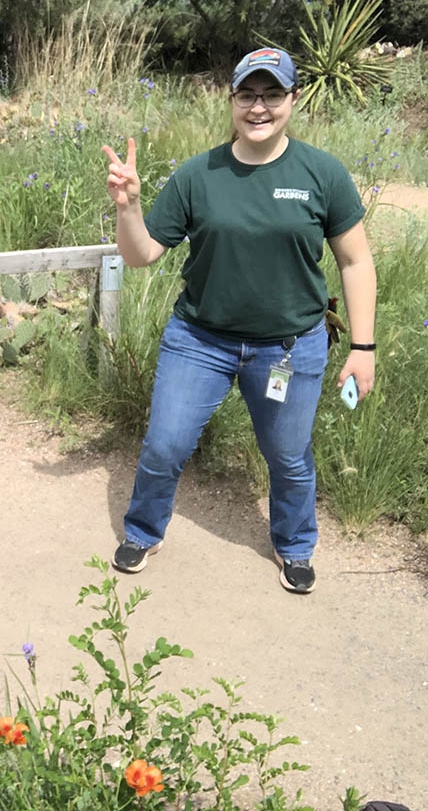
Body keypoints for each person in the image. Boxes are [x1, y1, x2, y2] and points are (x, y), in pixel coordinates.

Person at [101, 47, 377, 594]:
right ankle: (143, 530)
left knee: (288, 455)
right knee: (164, 444)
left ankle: (295, 545)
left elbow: (355, 260)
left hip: (289, 348)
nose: (259, 107)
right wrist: (128, 207)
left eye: (272, 95)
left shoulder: (321, 173)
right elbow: (142, 255)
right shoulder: (198, 174)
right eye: (247, 95)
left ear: (292, 100)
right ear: (231, 101)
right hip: (199, 340)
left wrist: (362, 348)